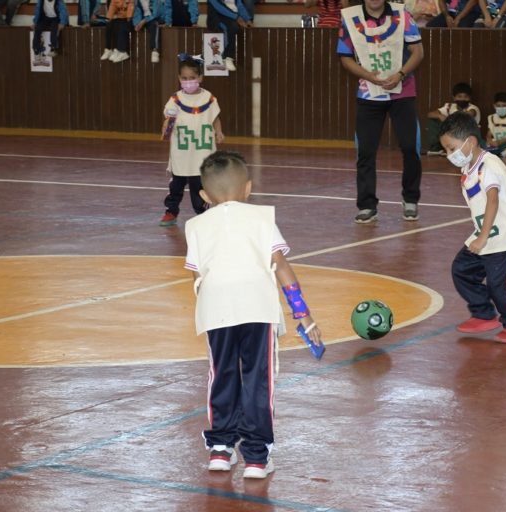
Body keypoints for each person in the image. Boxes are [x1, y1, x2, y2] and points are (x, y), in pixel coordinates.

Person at [184, 150, 322, 478]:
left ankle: (220, 449)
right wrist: (303, 314)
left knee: (222, 373)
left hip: (216, 310)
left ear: (203, 196)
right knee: (257, 378)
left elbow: (197, 276)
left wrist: (213, 301)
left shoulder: (196, 225)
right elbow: (281, 266)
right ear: (248, 188)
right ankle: (257, 457)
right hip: (257, 309)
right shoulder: (261, 219)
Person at [440, 112, 506, 344]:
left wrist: (482, 237)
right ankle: (484, 314)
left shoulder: (489, 166)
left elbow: (492, 200)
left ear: (471, 142)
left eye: (451, 148)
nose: (449, 154)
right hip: (488, 233)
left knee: (500, 284)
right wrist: (482, 235)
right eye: (445, 149)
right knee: (461, 269)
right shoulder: (469, 168)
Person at [337, 0, 425, 223]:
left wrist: (401, 74)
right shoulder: (350, 18)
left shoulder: (402, 15)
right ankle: (367, 205)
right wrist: (368, 76)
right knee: (365, 151)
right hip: (368, 94)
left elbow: (418, 52)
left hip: (402, 92)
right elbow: (345, 57)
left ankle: (411, 199)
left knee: (409, 147)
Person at [160, 55, 224, 227]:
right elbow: (168, 119)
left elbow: (215, 117)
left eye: (192, 78)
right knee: (176, 186)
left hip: (201, 152)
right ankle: (171, 211)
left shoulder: (209, 98)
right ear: (179, 79)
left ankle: (203, 212)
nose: (189, 81)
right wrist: (166, 128)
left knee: (199, 187)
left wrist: (218, 132)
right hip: (181, 152)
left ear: (200, 78)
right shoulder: (175, 99)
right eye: (185, 78)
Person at [426, 82, 481, 156]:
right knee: (433, 120)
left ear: (470, 98)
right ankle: (436, 148)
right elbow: (430, 114)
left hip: (466, 134)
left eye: (465, 97)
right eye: (459, 96)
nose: (462, 99)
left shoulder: (473, 108)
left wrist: (448, 119)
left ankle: (459, 149)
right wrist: (440, 115)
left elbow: (468, 115)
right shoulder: (449, 106)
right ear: (454, 97)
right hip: (452, 132)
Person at [207, 0, 252, 72]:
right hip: (218, 18)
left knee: (238, 28)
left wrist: (247, 19)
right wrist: (237, 17)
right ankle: (227, 56)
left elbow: (240, 6)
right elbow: (220, 8)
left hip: (232, 18)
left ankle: (234, 58)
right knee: (230, 27)